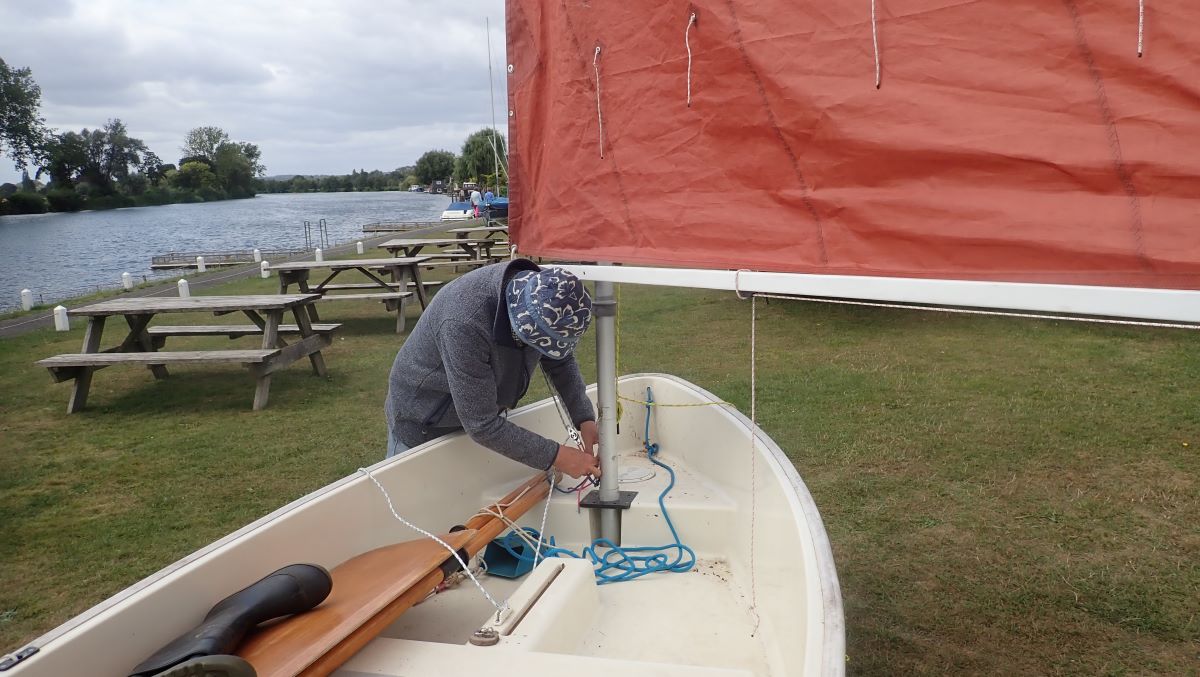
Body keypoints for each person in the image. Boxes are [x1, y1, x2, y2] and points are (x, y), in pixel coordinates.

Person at [384, 260, 600, 479]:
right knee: (414, 495)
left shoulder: (549, 291)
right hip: (423, 419)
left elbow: (559, 360)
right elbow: (481, 424)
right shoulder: (464, 321)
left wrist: (584, 418)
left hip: (475, 418)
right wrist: (558, 456)